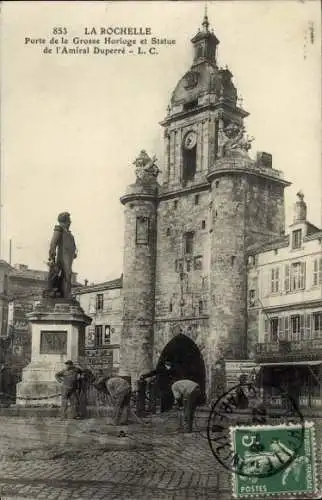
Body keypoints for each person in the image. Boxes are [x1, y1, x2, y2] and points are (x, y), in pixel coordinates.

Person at [47, 212, 77, 298]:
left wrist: (73, 252)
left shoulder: (69, 233)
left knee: (67, 275)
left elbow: (70, 245)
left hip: (68, 259)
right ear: (65, 221)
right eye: (69, 220)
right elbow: (53, 243)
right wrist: (52, 257)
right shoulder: (59, 229)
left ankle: (65, 294)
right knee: (65, 275)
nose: (70, 222)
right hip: (62, 259)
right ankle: (64, 294)